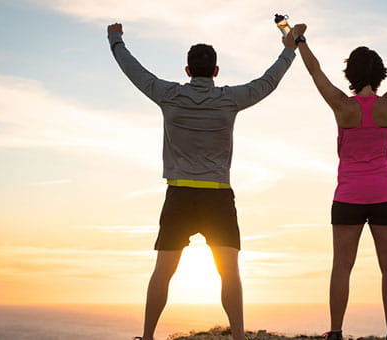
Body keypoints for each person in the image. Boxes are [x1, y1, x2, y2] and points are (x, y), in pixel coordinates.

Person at [106, 22, 298, 340]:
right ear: (216, 71)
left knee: (163, 273)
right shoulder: (230, 99)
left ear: (187, 69)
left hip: (179, 195)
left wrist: (115, 39)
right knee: (229, 274)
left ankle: (148, 336)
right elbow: (268, 82)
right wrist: (289, 50)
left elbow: (134, 70)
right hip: (218, 197)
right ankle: (238, 337)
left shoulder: (169, 95)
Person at [291, 14, 387, 340]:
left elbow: (315, 72)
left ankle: (335, 333)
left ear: (350, 74)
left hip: (347, 198)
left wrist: (299, 41)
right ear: (380, 73)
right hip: (386, 196)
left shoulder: (342, 106)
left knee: (341, 266)